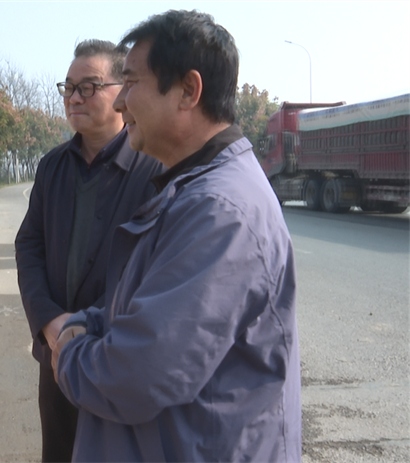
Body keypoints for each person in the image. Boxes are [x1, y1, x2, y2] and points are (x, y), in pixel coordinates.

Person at [52, 10, 302, 462]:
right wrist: (89, 322)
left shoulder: (220, 212)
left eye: (131, 82)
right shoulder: (189, 188)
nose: (121, 102)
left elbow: (136, 375)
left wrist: (69, 354)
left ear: (188, 91)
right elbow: (142, 309)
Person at [15, 39, 164, 463]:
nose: (74, 97)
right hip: (56, 358)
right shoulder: (53, 166)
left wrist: (83, 327)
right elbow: (29, 246)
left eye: (89, 87)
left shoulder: (154, 169)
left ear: (123, 91)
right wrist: (50, 323)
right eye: (68, 87)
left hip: (117, 359)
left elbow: (153, 269)